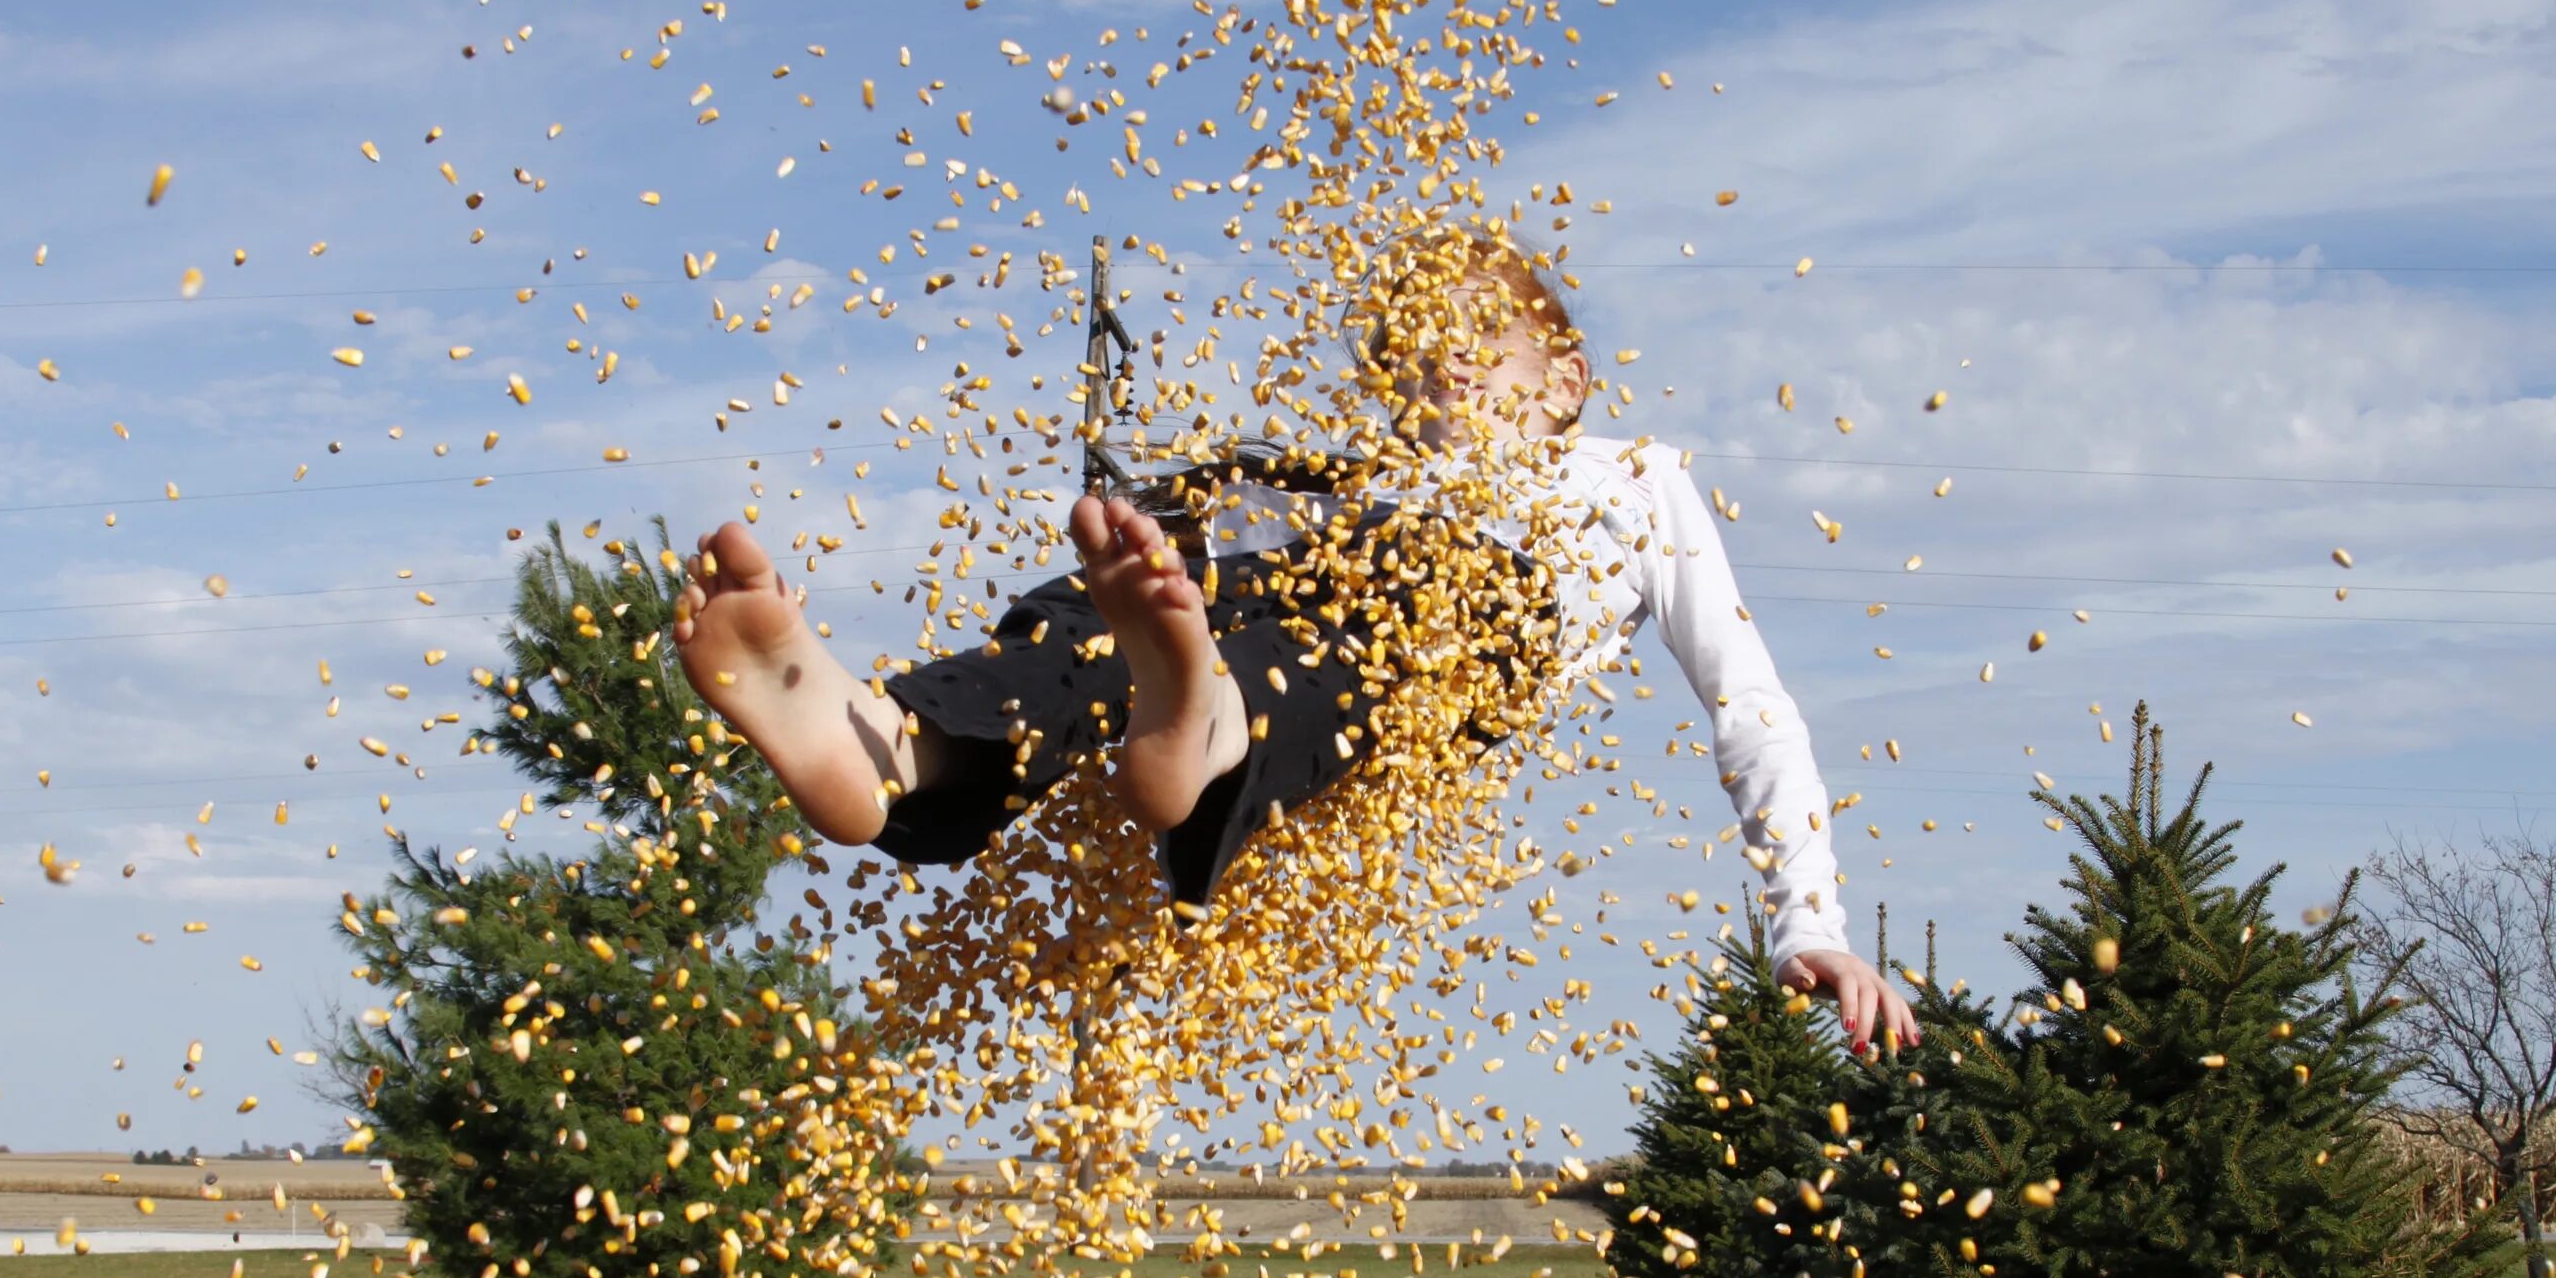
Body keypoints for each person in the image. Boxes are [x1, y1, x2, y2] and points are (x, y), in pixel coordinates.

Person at [673, 237, 1922, 1055]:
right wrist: (1157, 534)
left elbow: (1751, 706)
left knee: (1325, 671)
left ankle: (1208, 722)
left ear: (1565, 381)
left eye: (1463, 362)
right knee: (1117, 607)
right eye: (1404, 378)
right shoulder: (1373, 477)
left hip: (1474, 622)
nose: (1432, 397)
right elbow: (1221, 532)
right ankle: (905, 743)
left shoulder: (1636, 484)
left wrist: (1809, 922)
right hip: (1334, 557)